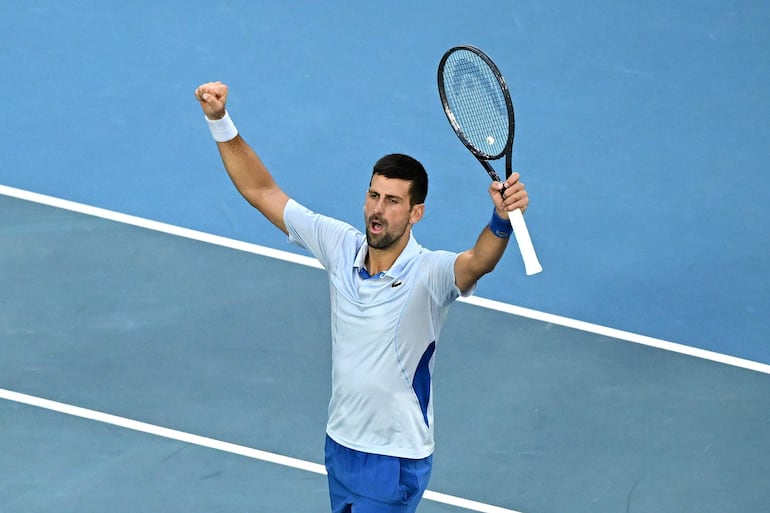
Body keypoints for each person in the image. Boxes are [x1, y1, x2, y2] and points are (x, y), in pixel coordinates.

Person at [194, 81, 530, 513]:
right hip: (341, 445)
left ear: (416, 213)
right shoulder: (339, 245)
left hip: (394, 459)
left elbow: (477, 261)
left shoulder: (429, 274)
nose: (377, 209)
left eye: (393, 201)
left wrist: (500, 222)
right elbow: (262, 192)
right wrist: (219, 120)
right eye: (374, 195)